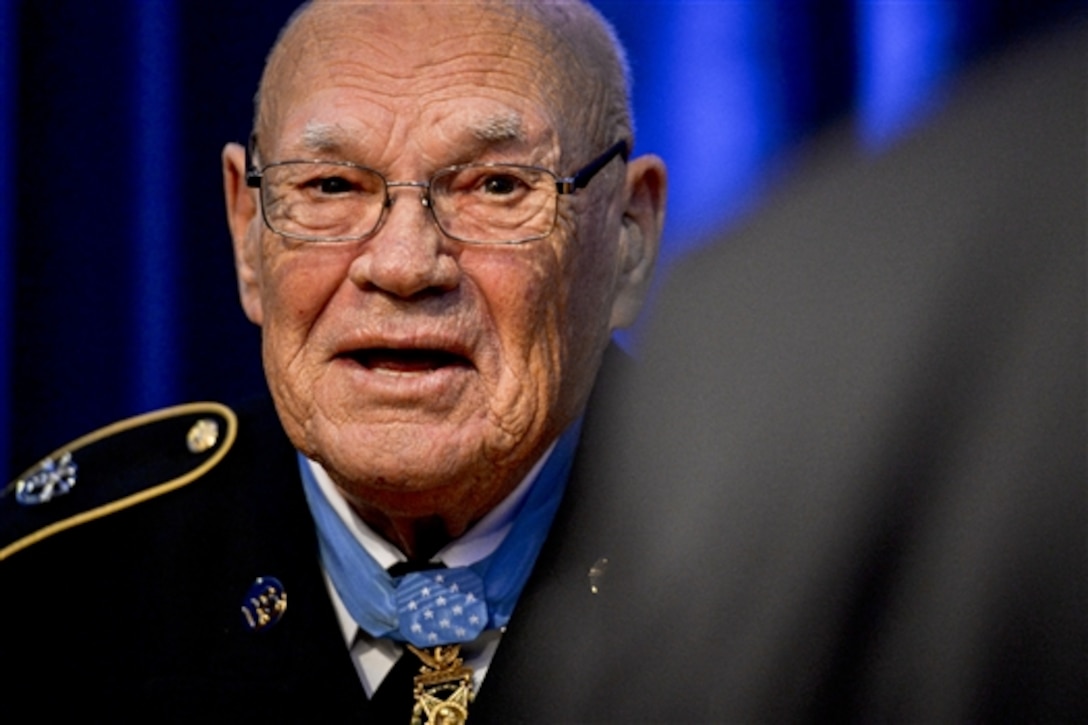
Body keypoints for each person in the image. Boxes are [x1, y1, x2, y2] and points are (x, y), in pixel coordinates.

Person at [1, 0, 666, 720]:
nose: (405, 265)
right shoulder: (53, 590)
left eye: (496, 185)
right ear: (247, 230)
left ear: (627, 237)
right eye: (331, 187)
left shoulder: (778, 572)